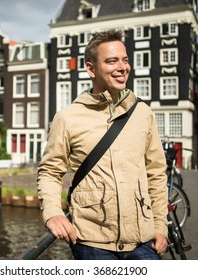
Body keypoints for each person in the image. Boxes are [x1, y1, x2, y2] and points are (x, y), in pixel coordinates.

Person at [37, 29, 168, 260]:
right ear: (91, 69)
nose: (122, 67)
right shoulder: (67, 117)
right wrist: (52, 213)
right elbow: (49, 171)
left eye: (125, 60)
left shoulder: (143, 113)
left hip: (143, 242)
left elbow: (156, 173)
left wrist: (160, 226)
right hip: (92, 244)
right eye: (111, 61)